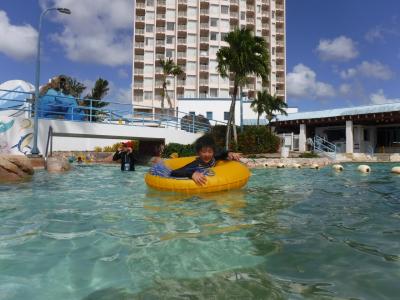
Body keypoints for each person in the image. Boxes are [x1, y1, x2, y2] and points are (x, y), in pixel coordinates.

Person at [150, 135, 241, 185]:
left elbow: (221, 153)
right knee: (164, 170)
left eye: (210, 152)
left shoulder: (213, 157)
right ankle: (158, 161)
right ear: (198, 153)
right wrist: (192, 174)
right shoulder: (195, 165)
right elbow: (175, 173)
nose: (207, 155)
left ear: (213, 152)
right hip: (176, 172)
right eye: (203, 152)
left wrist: (229, 154)